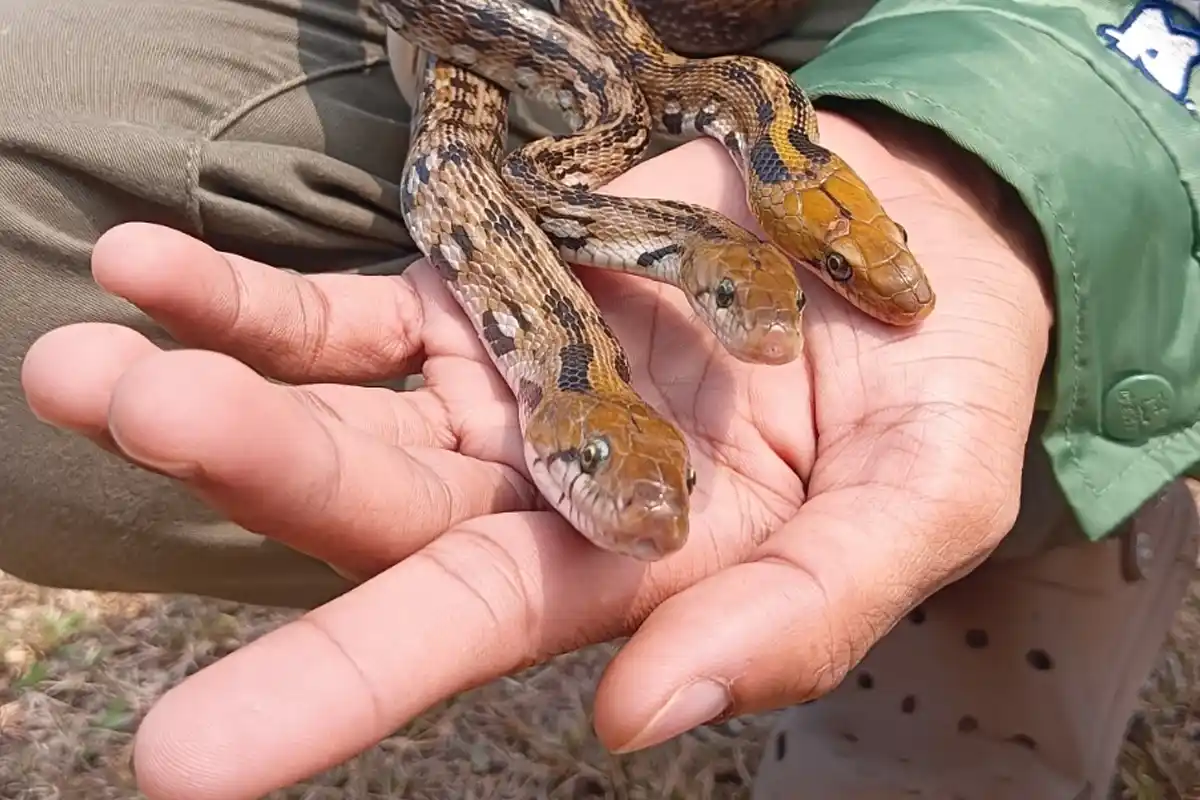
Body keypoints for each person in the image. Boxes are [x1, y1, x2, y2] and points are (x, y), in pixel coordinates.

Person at [4, 0, 1199, 797]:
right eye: (830, 267)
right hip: (589, 53)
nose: (842, 298)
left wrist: (992, 161)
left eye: (825, 270)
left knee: (1052, 270)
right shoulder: (655, 156)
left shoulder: (735, 160)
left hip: (999, 23)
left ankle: (1055, 470)